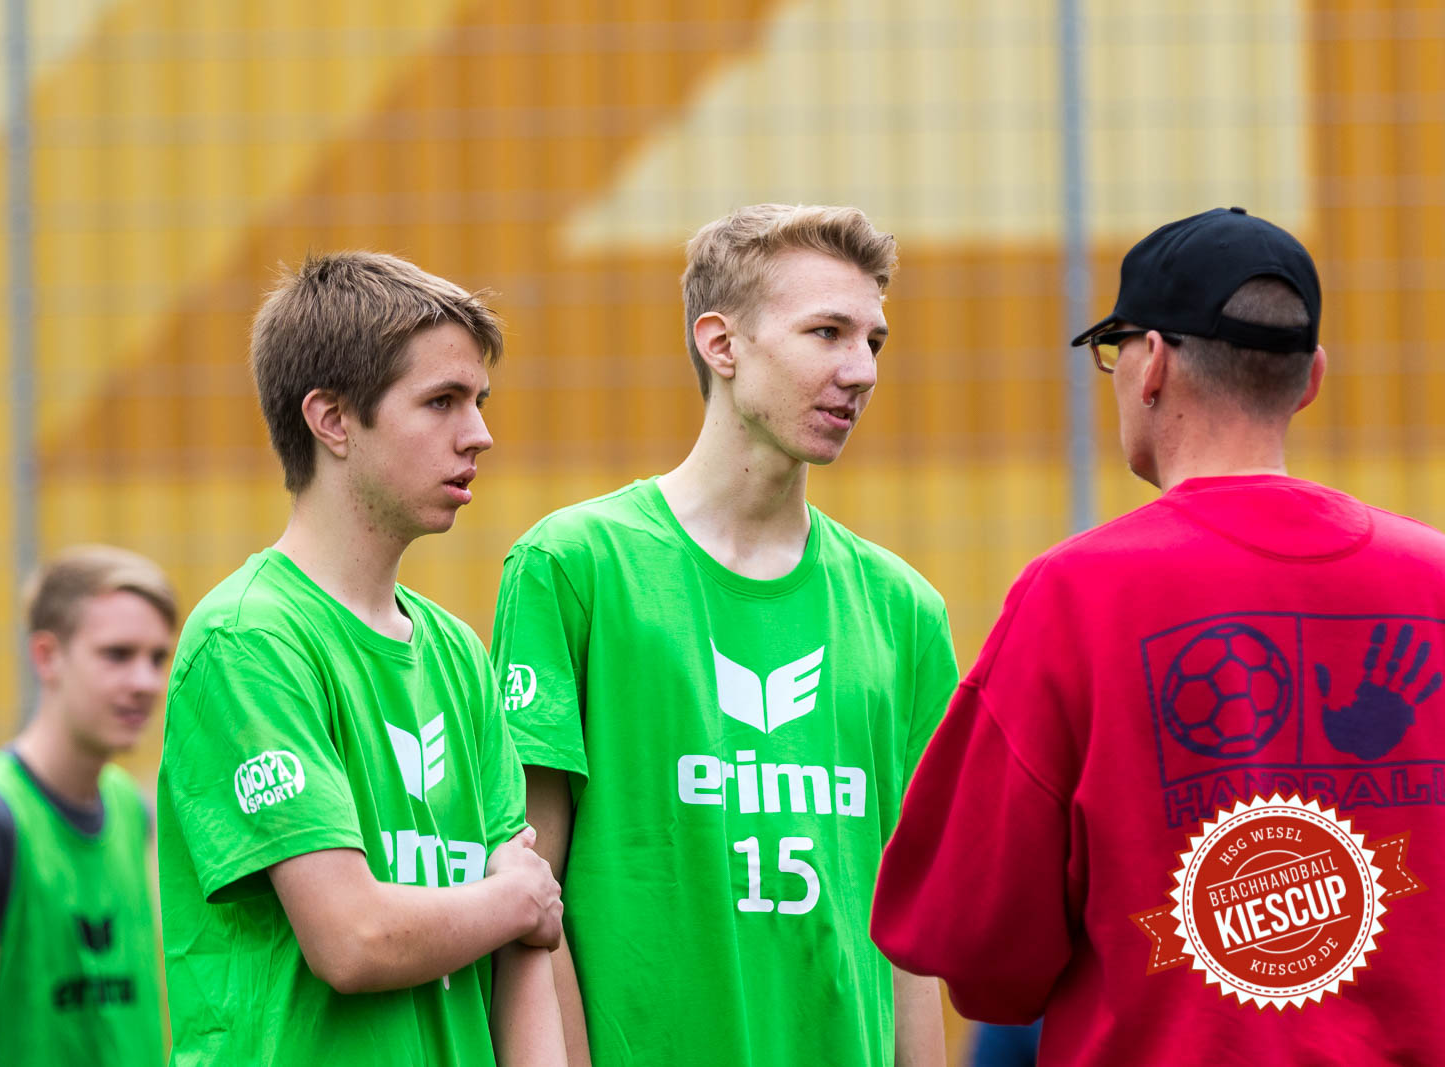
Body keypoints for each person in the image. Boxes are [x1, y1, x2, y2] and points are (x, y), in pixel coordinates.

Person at [873, 208, 1445, 1065]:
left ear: (1153, 365)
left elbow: (980, 953)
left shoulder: (1074, 595)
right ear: (1312, 375)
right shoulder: (1433, 579)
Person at [492, 204, 955, 1066]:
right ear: (722, 343)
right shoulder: (576, 565)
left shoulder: (905, 608)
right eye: (826, 332)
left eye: (874, 342)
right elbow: (524, 899)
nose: (860, 370)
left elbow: (909, 939)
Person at [157, 252, 564, 1067]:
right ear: (332, 420)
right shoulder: (252, 640)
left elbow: (526, 949)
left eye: (478, 401)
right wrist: (511, 899)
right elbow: (351, 938)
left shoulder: (457, 651)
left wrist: (515, 906)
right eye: (442, 401)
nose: (479, 433)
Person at [0, 544, 176, 1067]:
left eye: (158, 658)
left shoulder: (130, 811)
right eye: (117, 655)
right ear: (46, 656)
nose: (145, 682)